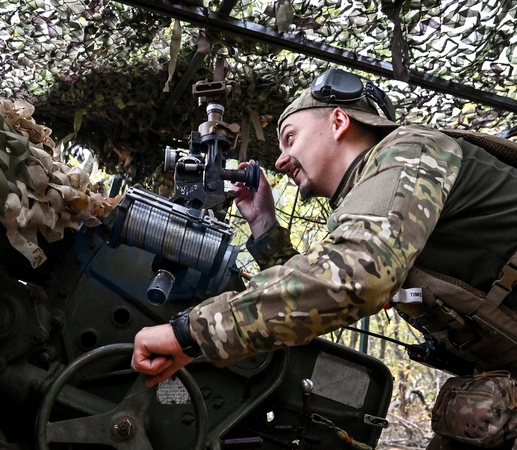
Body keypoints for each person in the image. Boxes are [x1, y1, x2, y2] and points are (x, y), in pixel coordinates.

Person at [131, 68, 517, 450]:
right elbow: (320, 296)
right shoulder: (382, 199)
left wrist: (192, 332)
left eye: (290, 138)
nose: (281, 161)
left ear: (338, 121)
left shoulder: (412, 149)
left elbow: (355, 277)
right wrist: (264, 224)